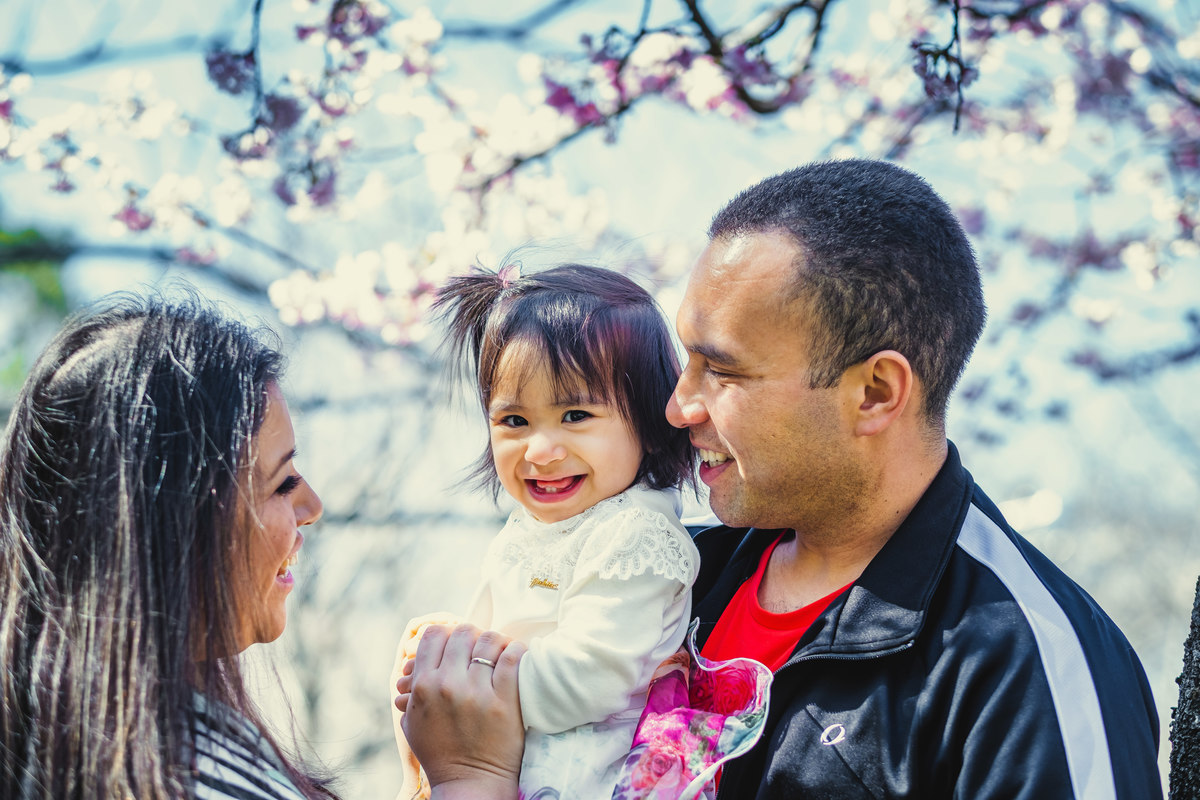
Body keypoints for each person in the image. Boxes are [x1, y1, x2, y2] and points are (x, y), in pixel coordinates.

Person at [666, 158, 1163, 798]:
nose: (680, 406)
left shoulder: (1023, 667)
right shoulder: (671, 580)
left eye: (724, 371)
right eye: (688, 358)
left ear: (875, 392)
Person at [0, 292, 525, 800]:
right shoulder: (169, 777)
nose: (312, 505)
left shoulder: (77, 743)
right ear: (179, 519)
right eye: (282, 482)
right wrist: (471, 777)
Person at [392, 263, 704, 800]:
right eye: (514, 421)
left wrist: (465, 696)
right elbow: (491, 633)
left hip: (589, 774)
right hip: (510, 763)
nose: (540, 450)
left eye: (576, 414)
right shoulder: (525, 534)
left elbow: (589, 678)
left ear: (651, 424)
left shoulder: (635, 535)